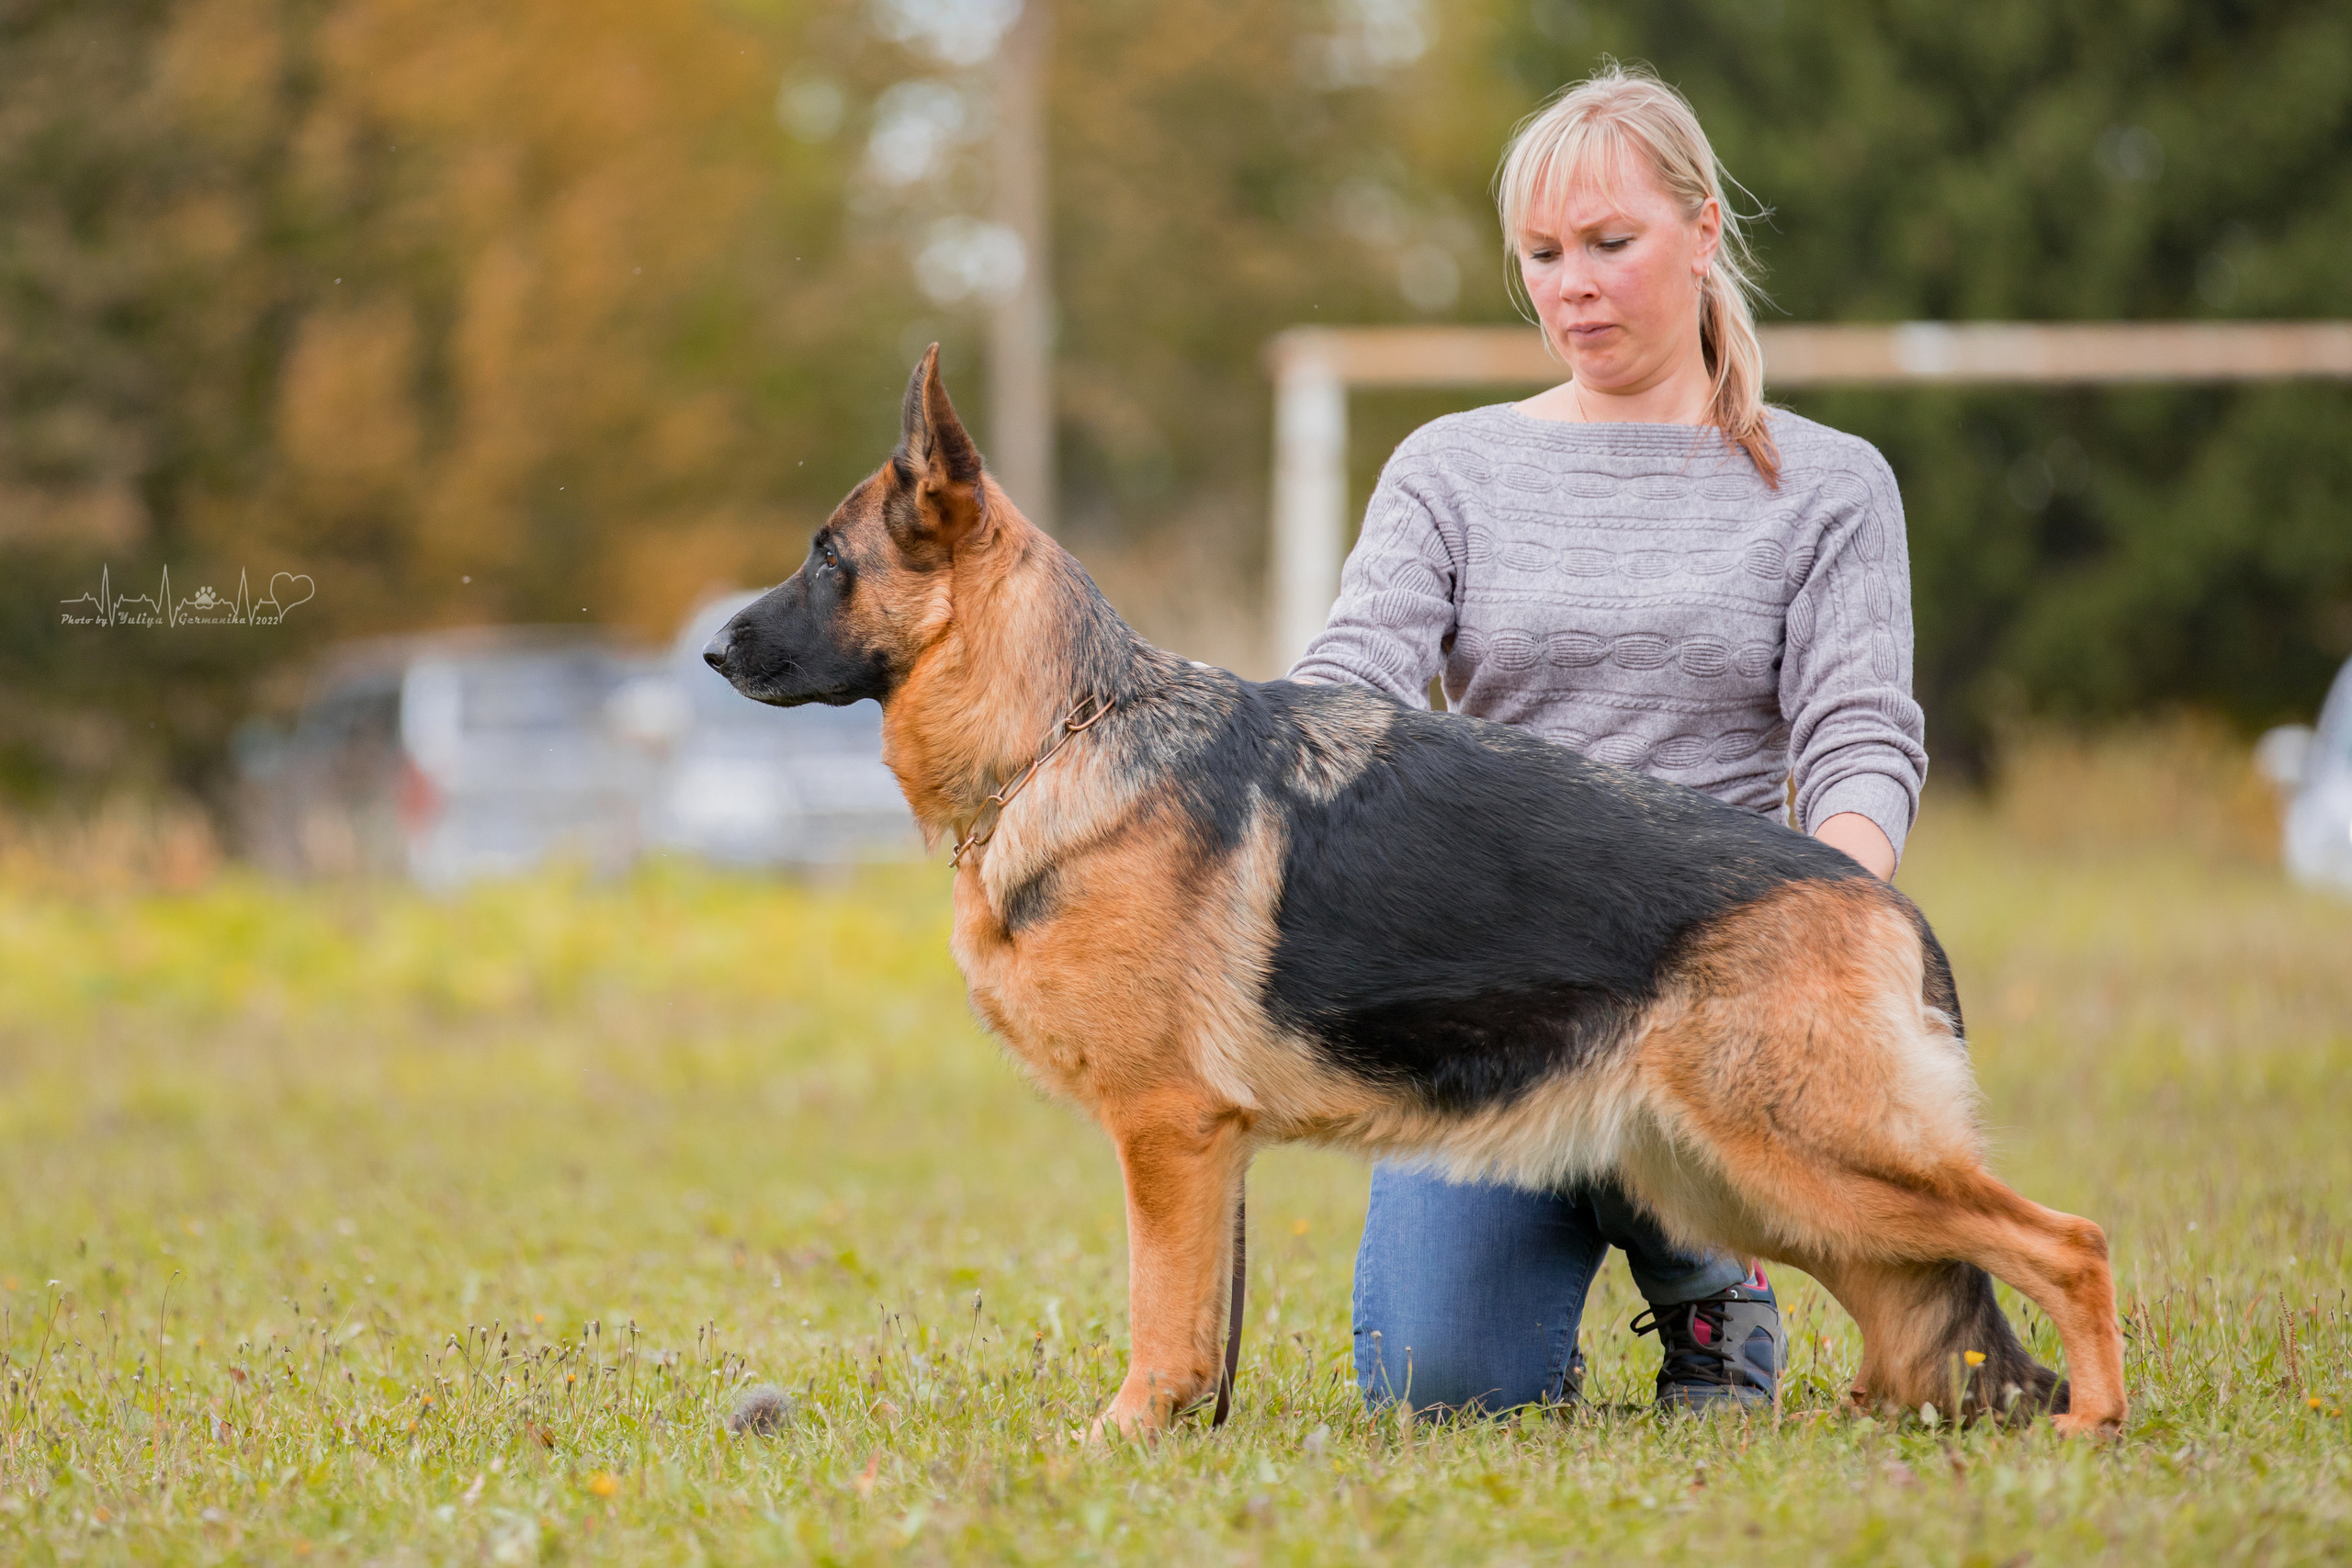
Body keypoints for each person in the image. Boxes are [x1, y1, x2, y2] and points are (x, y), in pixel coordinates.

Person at [1287, 62, 1927, 1416]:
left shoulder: (1830, 485)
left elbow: (1861, 733)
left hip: (1708, 989)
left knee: (1851, 1201)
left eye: (1608, 243)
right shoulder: (1450, 468)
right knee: (1441, 1387)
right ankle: (1629, 1239)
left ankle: (1715, 1284)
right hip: (1486, 997)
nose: (1570, 283)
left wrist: (1823, 935)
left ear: (1702, 233)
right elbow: (1351, 686)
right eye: (1542, 254)